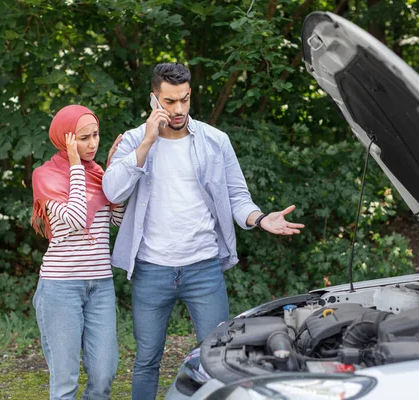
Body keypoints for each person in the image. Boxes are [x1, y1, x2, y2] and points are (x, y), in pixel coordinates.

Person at [103, 62, 304, 400]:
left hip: (203, 269)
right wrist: (147, 142)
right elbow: (112, 192)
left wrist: (259, 218)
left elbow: (237, 196)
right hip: (151, 270)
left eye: (184, 99)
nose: (178, 109)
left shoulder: (215, 141)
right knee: (147, 360)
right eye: (169, 101)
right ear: (154, 99)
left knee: (219, 359)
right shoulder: (134, 141)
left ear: (190, 94)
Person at [31, 105, 124, 400]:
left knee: (104, 374)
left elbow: (118, 220)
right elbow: (74, 219)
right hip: (60, 287)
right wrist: (74, 166)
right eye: (83, 138)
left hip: (100, 286)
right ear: (66, 139)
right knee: (64, 381)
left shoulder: (98, 174)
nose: (93, 143)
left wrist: (114, 178)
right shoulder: (45, 176)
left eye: (96, 135)